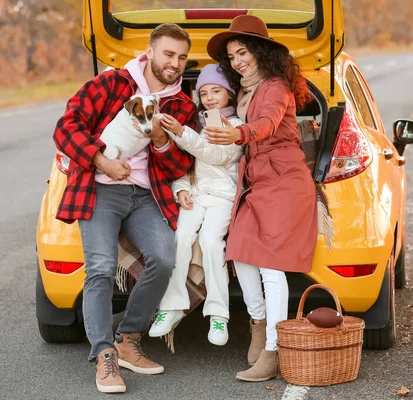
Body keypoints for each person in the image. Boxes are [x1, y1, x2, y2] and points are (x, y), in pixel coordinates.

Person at [52, 23, 196, 394]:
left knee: (165, 259)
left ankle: (128, 339)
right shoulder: (112, 84)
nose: (175, 63)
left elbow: (180, 167)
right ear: (150, 52)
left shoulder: (181, 105)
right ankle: (104, 356)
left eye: (181, 57)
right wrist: (100, 161)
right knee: (99, 269)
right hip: (99, 190)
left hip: (146, 196)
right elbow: (65, 127)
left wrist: (163, 141)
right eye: (168, 54)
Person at [204, 15, 318, 381]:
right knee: (238, 251)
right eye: (233, 56)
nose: (238, 61)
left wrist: (238, 133)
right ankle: (259, 321)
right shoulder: (244, 89)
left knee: (270, 264)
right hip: (256, 180)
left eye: (244, 52)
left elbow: (267, 124)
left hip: (283, 180)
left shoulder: (276, 86)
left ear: (261, 52)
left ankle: (274, 350)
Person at [147, 64, 244, 346]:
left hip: (223, 197)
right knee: (179, 238)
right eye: (204, 92)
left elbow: (214, 156)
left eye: (216, 90)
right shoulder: (199, 124)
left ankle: (218, 314)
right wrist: (181, 190)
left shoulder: (235, 126)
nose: (210, 97)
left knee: (211, 242)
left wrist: (180, 133)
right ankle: (171, 307)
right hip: (198, 195)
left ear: (229, 93)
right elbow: (188, 167)